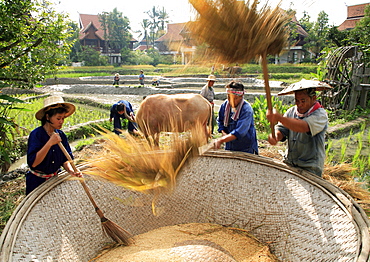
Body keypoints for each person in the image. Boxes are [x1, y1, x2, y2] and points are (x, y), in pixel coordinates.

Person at [266, 80, 331, 177]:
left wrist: (280, 118)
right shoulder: (291, 111)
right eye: (297, 101)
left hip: (310, 168)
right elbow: (282, 129)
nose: (299, 104)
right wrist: (275, 137)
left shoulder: (320, 115)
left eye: (303, 101)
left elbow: (303, 126)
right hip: (290, 163)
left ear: (313, 98)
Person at [26, 96, 81, 195]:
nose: (61, 121)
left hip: (55, 179)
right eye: (58, 118)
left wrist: (71, 170)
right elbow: (33, 163)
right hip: (37, 182)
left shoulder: (61, 135)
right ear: (47, 117)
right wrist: (49, 143)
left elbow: (65, 159)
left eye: (63, 118)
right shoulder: (36, 135)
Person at [215, 81, 258, 154]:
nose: (231, 101)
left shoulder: (246, 110)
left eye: (235, 98)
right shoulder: (225, 105)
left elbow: (240, 132)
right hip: (230, 145)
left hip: (245, 147)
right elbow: (220, 121)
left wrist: (221, 140)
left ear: (241, 96)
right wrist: (224, 133)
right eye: (229, 97)